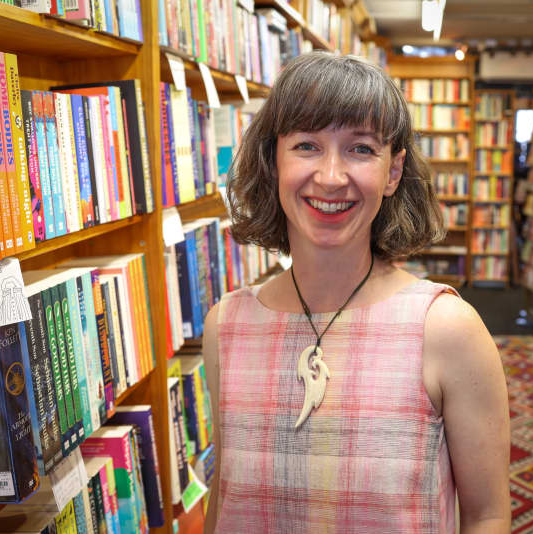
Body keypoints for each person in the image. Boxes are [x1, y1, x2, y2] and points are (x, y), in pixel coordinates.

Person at [203, 51, 510, 533]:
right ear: (272, 160)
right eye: (307, 145)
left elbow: (487, 516)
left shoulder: (447, 329)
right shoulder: (227, 325)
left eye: (361, 149)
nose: (330, 176)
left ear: (393, 173)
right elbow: (227, 498)